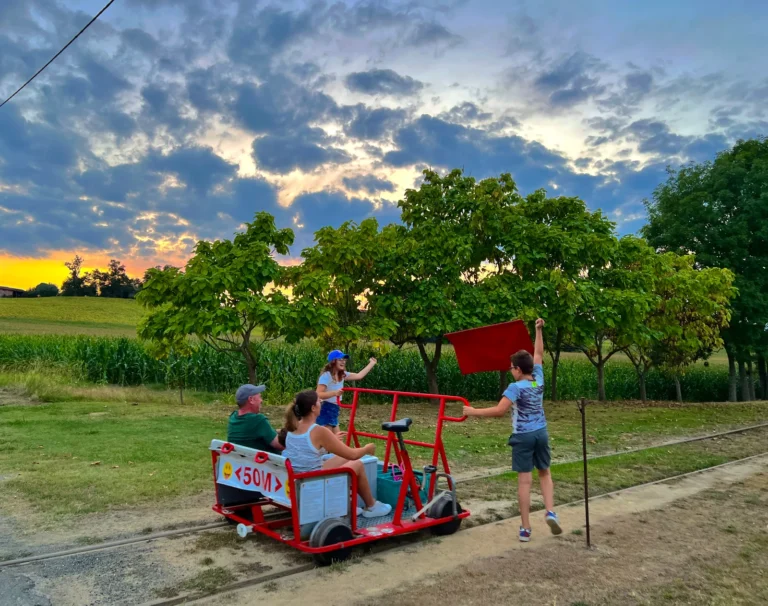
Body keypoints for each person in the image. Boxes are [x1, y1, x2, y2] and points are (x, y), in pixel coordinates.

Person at [462, 318, 562, 542]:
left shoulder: (515, 387)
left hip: (523, 437)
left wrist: (472, 411)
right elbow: (539, 353)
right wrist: (538, 330)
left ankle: (526, 528)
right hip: (542, 433)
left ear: (518, 369)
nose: (510, 370)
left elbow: (499, 411)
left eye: (511, 367)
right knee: (545, 473)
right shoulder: (538, 380)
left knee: (525, 481)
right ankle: (550, 511)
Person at [283, 389, 392, 518]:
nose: (321, 403)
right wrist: (367, 448)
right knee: (357, 464)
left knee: (341, 458)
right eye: (319, 401)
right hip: (314, 484)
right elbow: (353, 455)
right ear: (313, 408)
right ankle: (371, 506)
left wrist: (333, 440)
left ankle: (348, 505)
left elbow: (307, 450)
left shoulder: (292, 427)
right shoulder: (318, 431)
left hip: (301, 479)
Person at [316, 350, 377, 435]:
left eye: (344, 360)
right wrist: (334, 393)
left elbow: (359, 376)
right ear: (333, 361)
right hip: (325, 408)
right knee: (328, 441)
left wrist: (372, 363)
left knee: (337, 441)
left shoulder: (342, 374)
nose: (343, 362)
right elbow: (318, 394)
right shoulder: (327, 375)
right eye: (340, 359)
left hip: (334, 409)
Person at [227, 384, 284, 454]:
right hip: (264, 463)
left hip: (242, 462)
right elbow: (280, 445)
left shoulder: (234, 417)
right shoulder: (258, 420)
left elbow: (256, 433)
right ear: (251, 400)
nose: (261, 400)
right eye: (260, 397)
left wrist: (280, 431)